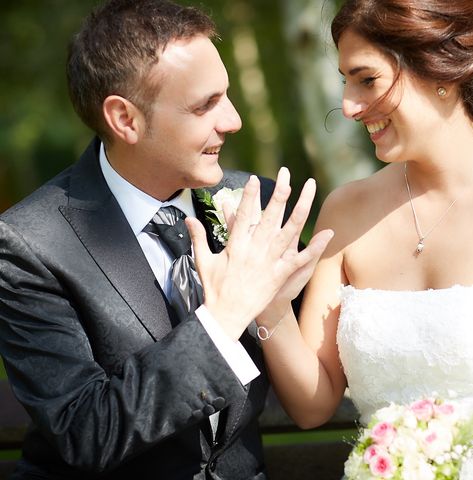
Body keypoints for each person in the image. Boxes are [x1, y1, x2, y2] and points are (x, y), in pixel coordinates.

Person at [220, 0, 473, 478]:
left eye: (367, 79)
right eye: (345, 81)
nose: (349, 106)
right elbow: (313, 405)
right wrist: (270, 305)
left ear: (440, 70)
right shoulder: (346, 210)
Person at [0, 0, 332, 478]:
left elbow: (311, 393)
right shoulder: (29, 244)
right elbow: (85, 431)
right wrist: (224, 319)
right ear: (125, 120)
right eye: (205, 106)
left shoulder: (250, 200)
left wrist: (275, 310)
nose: (233, 120)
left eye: (228, 95)